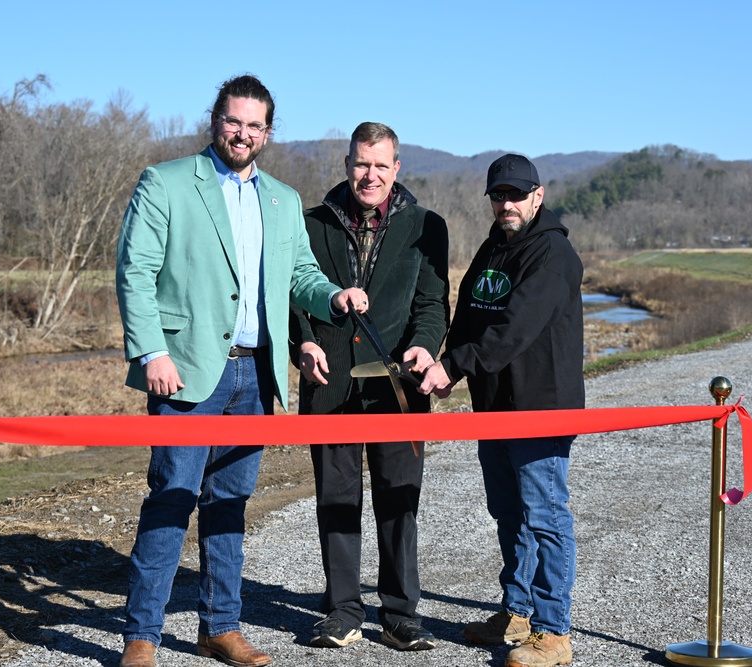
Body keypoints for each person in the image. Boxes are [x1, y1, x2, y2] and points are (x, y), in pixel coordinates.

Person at [115, 74, 369, 667]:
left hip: (256, 378)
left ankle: (219, 627)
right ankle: (142, 636)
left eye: (255, 125)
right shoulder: (167, 182)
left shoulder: (280, 199)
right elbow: (135, 273)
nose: (243, 133)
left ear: (268, 133)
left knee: (230, 504)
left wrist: (332, 297)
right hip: (185, 374)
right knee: (172, 500)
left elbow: (300, 276)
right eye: (235, 121)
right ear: (215, 120)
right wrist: (152, 352)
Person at [418, 153, 584, 667]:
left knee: (545, 515)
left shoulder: (553, 255)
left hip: (541, 409)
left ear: (538, 194)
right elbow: (470, 313)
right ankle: (516, 612)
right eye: (498, 195)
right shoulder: (495, 246)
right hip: (495, 409)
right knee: (508, 512)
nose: (506, 204)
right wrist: (450, 365)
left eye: (516, 194)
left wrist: (457, 365)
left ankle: (554, 630)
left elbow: (516, 327)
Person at [290, 122, 449, 651]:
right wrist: (303, 345)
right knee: (335, 500)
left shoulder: (428, 226)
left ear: (397, 168)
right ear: (347, 164)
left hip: (398, 391)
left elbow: (432, 306)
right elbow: (293, 297)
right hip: (330, 385)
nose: (371, 175)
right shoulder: (310, 223)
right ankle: (341, 610)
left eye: (381, 165)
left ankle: (401, 613)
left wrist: (426, 347)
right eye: (362, 163)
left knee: (399, 501)